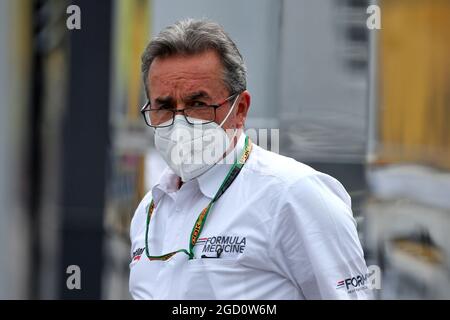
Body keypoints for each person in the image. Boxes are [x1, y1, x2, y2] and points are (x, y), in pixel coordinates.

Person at [129, 18, 372, 299]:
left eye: (198, 104)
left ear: (240, 109)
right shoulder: (151, 208)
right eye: (165, 106)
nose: (180, 122)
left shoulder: (294, 195)